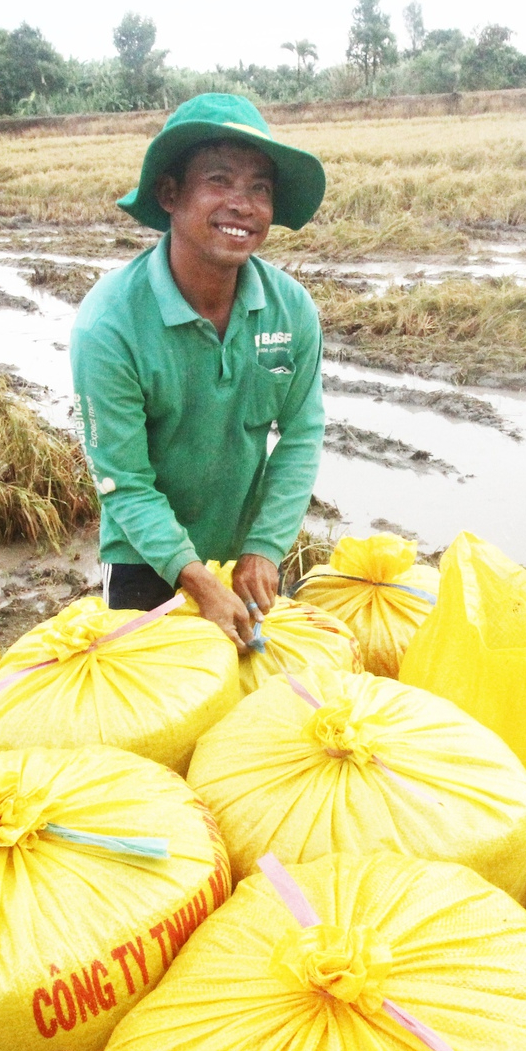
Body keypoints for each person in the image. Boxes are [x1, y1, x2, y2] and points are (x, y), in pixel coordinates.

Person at [70, 93, 327, 648]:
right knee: (151, 723)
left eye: (259, 187)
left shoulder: (291, 310)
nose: (243, 204)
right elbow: (125, 484)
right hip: (147, 563)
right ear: (169, 193)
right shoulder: (109, 326)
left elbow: (302, 434)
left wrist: (264, 547)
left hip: (243, 556)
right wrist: (197, 581)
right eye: (219, 180)